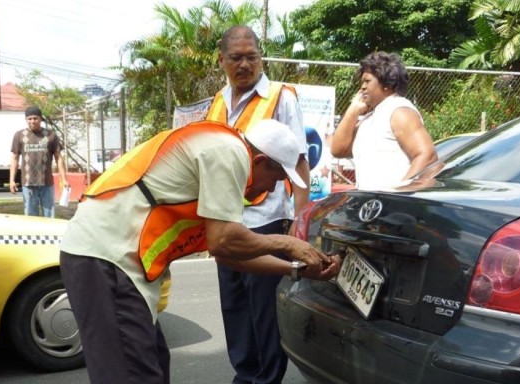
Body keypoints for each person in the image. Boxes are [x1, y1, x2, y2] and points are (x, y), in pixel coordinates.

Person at [59, 119, 341, 384]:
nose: (273, 188)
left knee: (151, 365)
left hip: (114, 261)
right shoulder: (229, 154)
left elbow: (228, 255)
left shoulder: (224, 156)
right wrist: (288, 243)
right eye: (277, 178)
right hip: (104, 256)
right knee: (132, 374)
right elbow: (223, 242)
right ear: (259, 161)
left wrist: (296, 270)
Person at [205, 25, 309, 384]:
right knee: (234, 309)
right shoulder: (218, 101)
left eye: (252, 56)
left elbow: (298, 161)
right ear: (222, 60)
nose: (245, 64)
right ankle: (244, 376)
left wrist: (298, 218)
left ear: (261, 57)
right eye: (236, 58)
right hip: (224, 221)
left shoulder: (282, 97)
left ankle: (266, 380)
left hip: (266, 219)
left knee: (264, 314)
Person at [331, 51, 437, 190]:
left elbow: (428, 157)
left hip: (393, 207)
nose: (362, 87)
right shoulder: (370, 118)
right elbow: (338, 150)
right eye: (362, 82)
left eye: (367, 81)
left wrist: (397, 194)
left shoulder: (399, 111)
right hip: (372, 206)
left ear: (387, 83)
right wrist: (353, 110)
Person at [9, 105, 70, 217]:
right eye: (30, 118)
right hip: (28, 183)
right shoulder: (19, 135)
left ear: (41, 119)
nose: (32, 121)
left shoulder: (50, 135)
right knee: (30, 216)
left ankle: (50, 234)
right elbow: (15, 158)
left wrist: (64, 179)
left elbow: (59, 158)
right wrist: (11, 180)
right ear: (26, 119)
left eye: (35, 118)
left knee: (49, 215)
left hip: (47, 183)